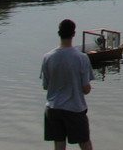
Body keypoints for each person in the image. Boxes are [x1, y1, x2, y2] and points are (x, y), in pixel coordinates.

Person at [40, 19, 95, 150]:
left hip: (53, 108)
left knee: (59, 144)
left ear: (59, 33)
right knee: (85, 143)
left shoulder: (47, 57)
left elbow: (46, 86)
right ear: (73, 34)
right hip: (74, 109)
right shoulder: (81, 58)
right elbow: (86, 89)